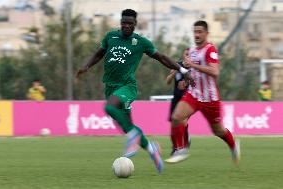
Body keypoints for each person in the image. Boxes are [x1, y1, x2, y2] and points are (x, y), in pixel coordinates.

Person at [76, 9, 193, 173]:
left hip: (127, 87)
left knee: (109, 108)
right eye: (124, 22)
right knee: (128, 126)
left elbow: (162, 57)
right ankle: (152, 149)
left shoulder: (140, 42)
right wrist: (86, 66)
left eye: (130, 23)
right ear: (121, 22)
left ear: (135, 25)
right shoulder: (111, 37)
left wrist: (183, 70)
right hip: (110, 87)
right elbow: (99, 54)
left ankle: (132, 136)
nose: (126, 26)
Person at [166, 20, 240, 164]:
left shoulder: (210, 50)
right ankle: (181, 149)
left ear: (206, 33)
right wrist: (187, 80)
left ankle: (233, 145)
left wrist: (193, 65)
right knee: (176, 117)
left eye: (200, 32)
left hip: (210, 99)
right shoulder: (191, 51)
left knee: (218, 131)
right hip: (194, 94)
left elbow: (215, 72)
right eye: (195, 32)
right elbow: (193, 72)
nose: (197, 35)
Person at [166, 61, 191, 158]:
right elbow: (167, 82)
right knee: (173, 124)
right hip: (176, 100)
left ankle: (183, 145)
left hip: (187, 100)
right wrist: (173, 74)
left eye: (190, 55)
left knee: (182, 122)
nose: (188, 57)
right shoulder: (176, 65)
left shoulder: (193, 67)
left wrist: (187, 83)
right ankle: (175, 147)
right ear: (184, 56)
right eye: (186, 55)